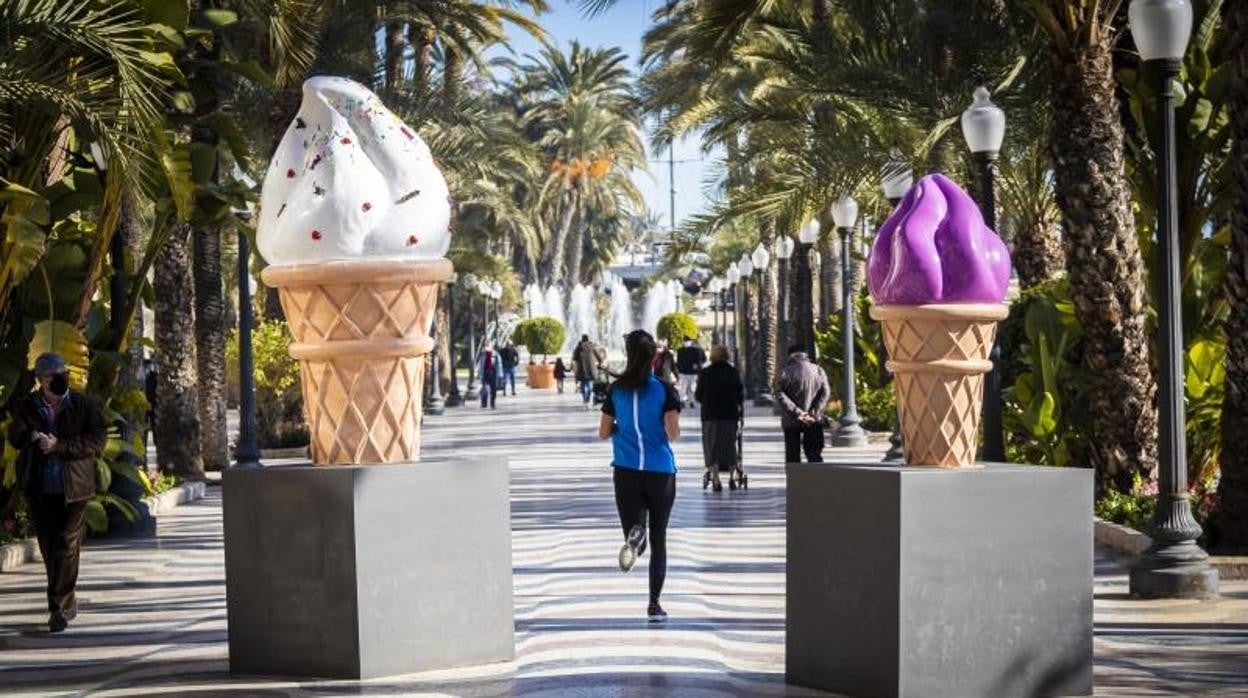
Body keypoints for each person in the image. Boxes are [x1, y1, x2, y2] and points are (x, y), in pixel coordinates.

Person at [3, 353, 106, 633]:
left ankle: (57, 608)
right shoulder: (27, 405)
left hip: (74, 488)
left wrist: (59, 446)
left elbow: (97, 440)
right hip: (39, 488)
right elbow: (15, 436)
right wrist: (32, 436)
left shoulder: (83, 405)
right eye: (54, 375)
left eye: (64, 373)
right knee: (50, 547)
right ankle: (66, 599)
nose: (61, 378)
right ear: (41, 380)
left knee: (66, 541)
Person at [598, 330, 681, 623]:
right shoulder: (664, 390)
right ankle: (654, 604)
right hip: (660, 472)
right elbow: (673, 434)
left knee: (638, 533)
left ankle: (635, 539)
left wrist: (624, 430)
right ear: (653, 356)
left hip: (626, 471)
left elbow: (603, 432)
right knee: (660, 539)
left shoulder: (616, 390)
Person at [694, 345, 743, 491]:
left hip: (710, 415)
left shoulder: (705, 372)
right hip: (729, 414)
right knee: (730, 445)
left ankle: (716, 479)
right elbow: (740, 394)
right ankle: (732, 478)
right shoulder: (733, 372)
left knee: (711, 447)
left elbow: (698, 395)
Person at [776, 344, 830, 463]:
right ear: (805, 355)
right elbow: (826, 392)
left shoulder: (786, 372)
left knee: (792, 455)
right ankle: (815, 479)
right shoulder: (818, 370)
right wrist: (814, 412)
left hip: (791, 420)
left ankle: (795, 480)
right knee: (814, 454)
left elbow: (780, 394)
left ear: (791, 356)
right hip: (813, 420)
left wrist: (798, 412)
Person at [675, 338, 707, 408]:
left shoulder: (696, 350)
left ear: (690, 342)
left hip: (692, 372)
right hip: (683, 372)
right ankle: (682, 401)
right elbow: (678, 361)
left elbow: (699, 360)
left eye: (687, 341)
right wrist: (678, 370)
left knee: (692, 388)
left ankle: (691, 401)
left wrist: (697, 366)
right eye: (685, 341)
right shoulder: (680, 350)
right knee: (683, 388)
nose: (686, 343)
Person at [572, 334, 599, 409]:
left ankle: (585, 399)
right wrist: (600, 362)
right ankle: (588, 398)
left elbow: (574, 359)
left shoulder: (578, 347)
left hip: (582, 370)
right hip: (591, 370)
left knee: (583, 385)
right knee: (590, 385)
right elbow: (598, 356)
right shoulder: (592, 346)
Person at [475, 343, 500, 409]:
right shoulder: (483, 354)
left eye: (488, 346)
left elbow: (499, 365)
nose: (487, 347)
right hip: (485, 373)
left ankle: (492, 403)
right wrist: (478, 373)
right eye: (486, 346)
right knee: (484, 389)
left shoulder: (495, 354)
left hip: (493, 373)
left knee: (493, 390)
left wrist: (500, 375)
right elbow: (480, 364)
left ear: (491, 347)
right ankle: (484, 403)